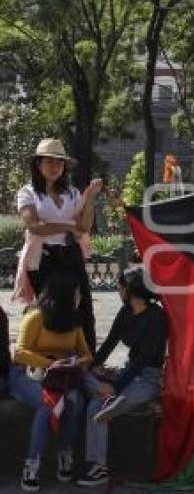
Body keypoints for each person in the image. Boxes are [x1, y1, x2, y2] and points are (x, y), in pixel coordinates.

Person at [77, 267, 168, 487]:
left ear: (131, 290)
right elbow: (109, 343)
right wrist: (93, 366)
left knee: (130, 393)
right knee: (90, 395)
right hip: (126, 373)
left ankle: (118, 401)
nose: (118, 290)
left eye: (120, 287)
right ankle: (99, 467)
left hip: (148, 376)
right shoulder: (124, 313)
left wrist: (115, 385)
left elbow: (142, 361)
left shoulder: (157, 317)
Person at [15, 138, 102, 353]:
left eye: (59, 163)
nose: (55, 167)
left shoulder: (71, 192)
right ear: (38, 164)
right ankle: (45, 361)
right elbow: (35, 226)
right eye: (50, 162)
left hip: (70, 253)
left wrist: (89, 199)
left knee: (83, 305)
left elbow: (82, 227)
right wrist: (68, 226)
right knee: (49, 308)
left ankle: (87, 360)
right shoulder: (27, 192)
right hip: (42, 257)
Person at [8, 272, 92, 491]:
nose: (79, 296)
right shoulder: (36, 316)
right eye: (76, 293)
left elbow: (87, 355)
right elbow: (19, 353)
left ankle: (65, 453)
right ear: (64, 294)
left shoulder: (74, 320)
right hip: (27, 375)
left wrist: (71, 362)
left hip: (60, 378)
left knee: (76, 402)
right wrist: (49, 363)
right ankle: (31, 465)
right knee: (47, 406)